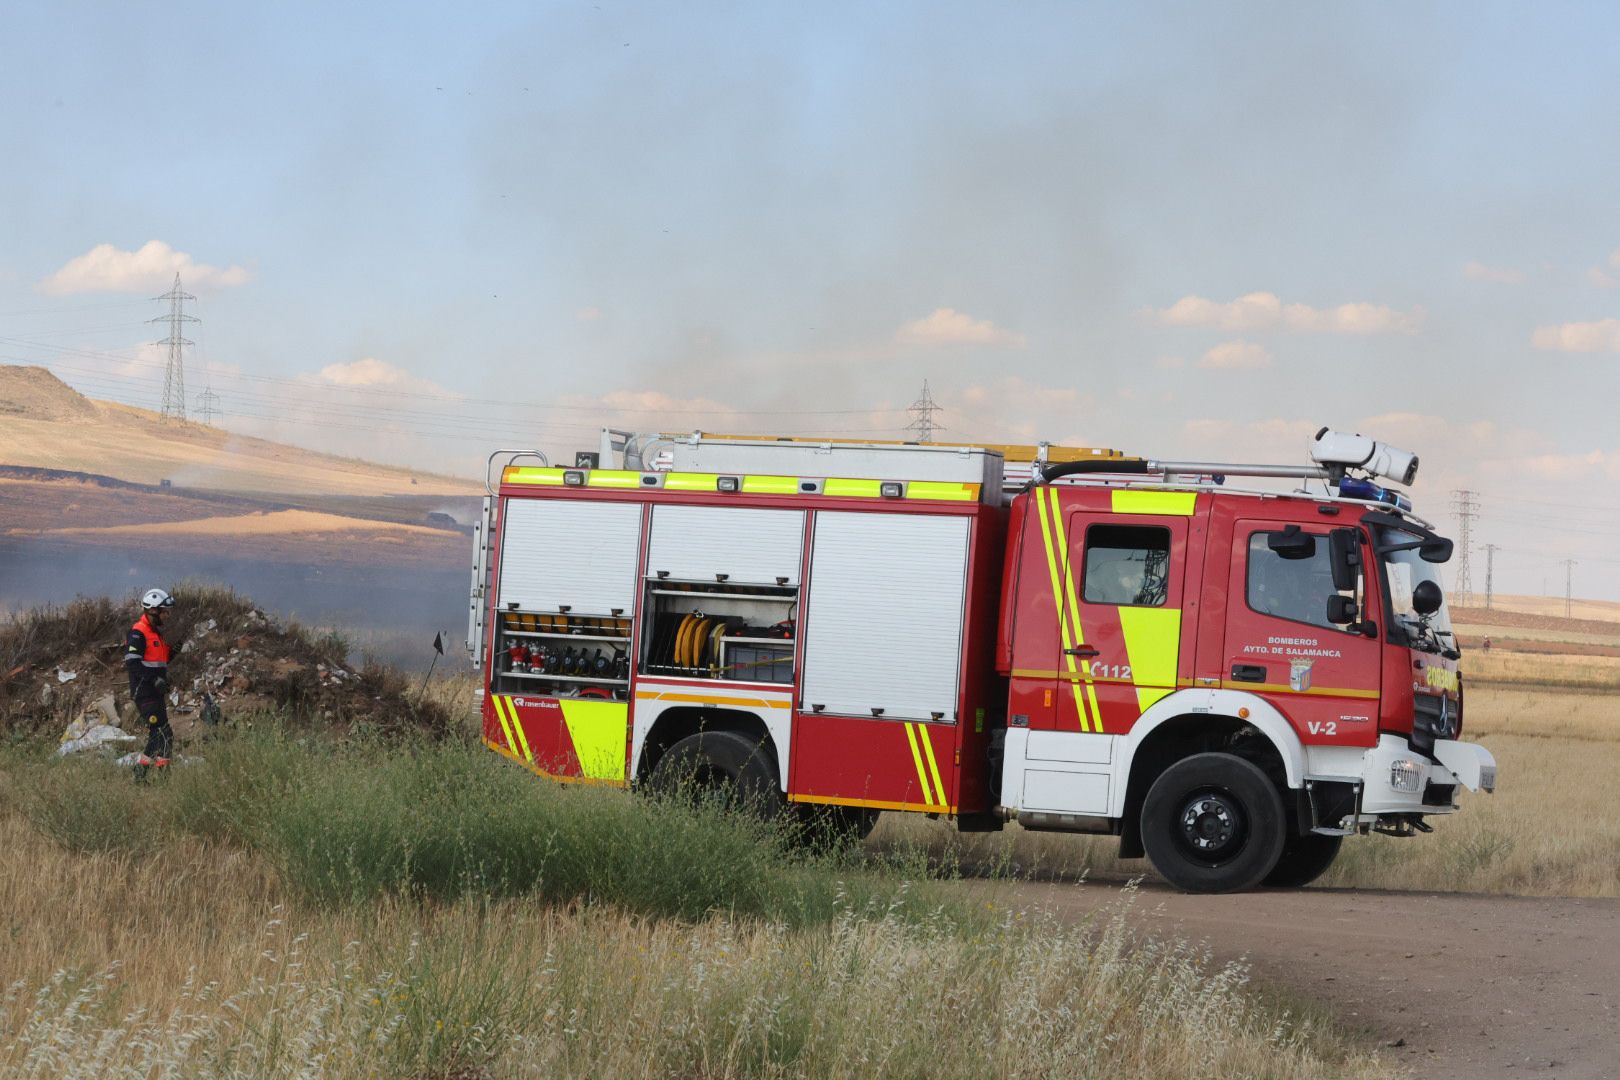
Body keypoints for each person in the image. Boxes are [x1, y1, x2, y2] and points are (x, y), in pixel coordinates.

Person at [126, 588, 175, 782]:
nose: (167, 615)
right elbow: (132, 663)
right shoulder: (138, 633)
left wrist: (176, 650)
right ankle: (144, 776)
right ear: (153, 611)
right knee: (162, 733)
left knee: (164, 734)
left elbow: (161, 661)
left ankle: (151, 777)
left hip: (155, 693)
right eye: (164, 611)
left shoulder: (156, 634)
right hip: (144, 693)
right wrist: (154, 679)